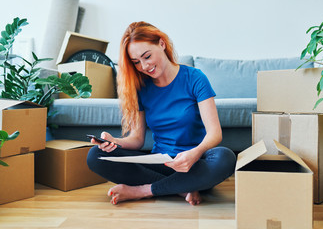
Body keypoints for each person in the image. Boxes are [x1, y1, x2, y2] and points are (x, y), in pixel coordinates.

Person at [87, 21, 236, 206]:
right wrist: (114, 142)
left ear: (161, 44)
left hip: (193, 164)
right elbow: (137, 139)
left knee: (225, 158)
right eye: (136, 62)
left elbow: (215, 134)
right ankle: (182, 188)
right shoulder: (141, 88)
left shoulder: (195, 78)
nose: (144, 66)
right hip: (160, 165)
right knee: (95, 155)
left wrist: (195, 153)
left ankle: (143, 191)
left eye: (147, 56)